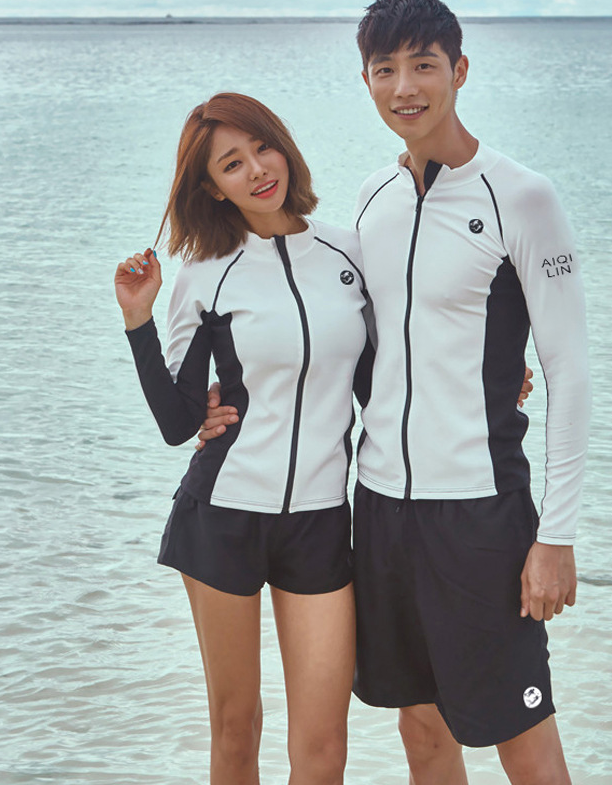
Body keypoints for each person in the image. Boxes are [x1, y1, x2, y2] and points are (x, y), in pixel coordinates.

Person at [201, 0, 590, 784]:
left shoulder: (521, 197)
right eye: (386, 69)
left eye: (423, 65)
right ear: (367, 80)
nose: (404, 87)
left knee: (522, 738)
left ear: (459, 70)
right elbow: (356, 340)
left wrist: (556, 535)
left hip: (481, 510)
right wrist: (221, 401)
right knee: (420, 728)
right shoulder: (373, 197)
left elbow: (570, 370)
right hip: (378, 508)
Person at [113, 92, 372, 785]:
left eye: (262, 147)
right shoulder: (205, 274)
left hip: (320, 519)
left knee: (324, 747)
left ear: (283, 145)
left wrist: (497, 378)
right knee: (236, 731)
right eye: (232, 164)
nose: (257, 169)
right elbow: (178, 424)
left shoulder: (347, 252)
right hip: (222, 517)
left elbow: (393, 371)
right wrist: (137, 320)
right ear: (212, 187)